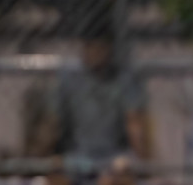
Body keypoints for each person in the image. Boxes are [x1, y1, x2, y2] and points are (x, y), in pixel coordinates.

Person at [48, 27, 149, 175]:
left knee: (112, 175)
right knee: (56, 174)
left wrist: (146, 163)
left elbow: (134, 123)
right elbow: (52, 124)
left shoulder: (123, 80)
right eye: (91, 47)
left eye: (101, 48)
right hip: (79, 154)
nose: (96, 53)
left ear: (110, 50)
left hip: (113, 155)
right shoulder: (70, 80)